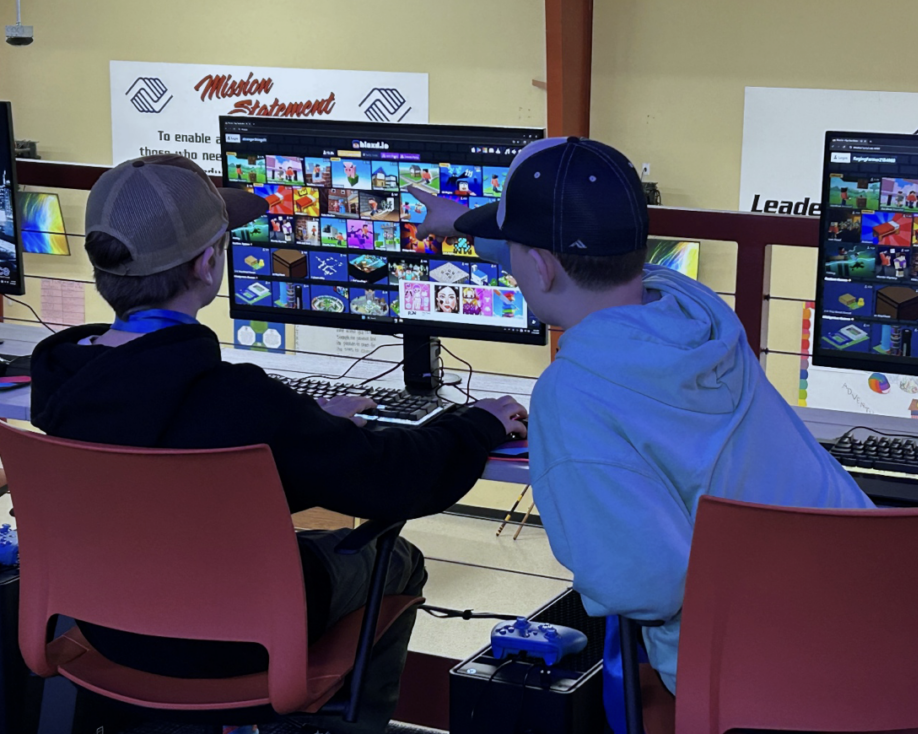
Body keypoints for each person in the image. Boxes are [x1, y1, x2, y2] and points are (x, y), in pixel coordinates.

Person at [29, 155, 528, 734]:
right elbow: (399, 480)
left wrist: (302, 421)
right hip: (228, 641)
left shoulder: (63, 383)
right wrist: (478, 423)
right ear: (210, 263)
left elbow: (175, 467)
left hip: (106, 629)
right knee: (395, 559)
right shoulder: (237, 402)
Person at [445, 137, 873, 721]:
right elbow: (576, 271)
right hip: (880, 642)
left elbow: (646, 589)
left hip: (764, 687)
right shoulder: (697, 310)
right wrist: (463, 225)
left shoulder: (574, 393)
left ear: (539, 266)